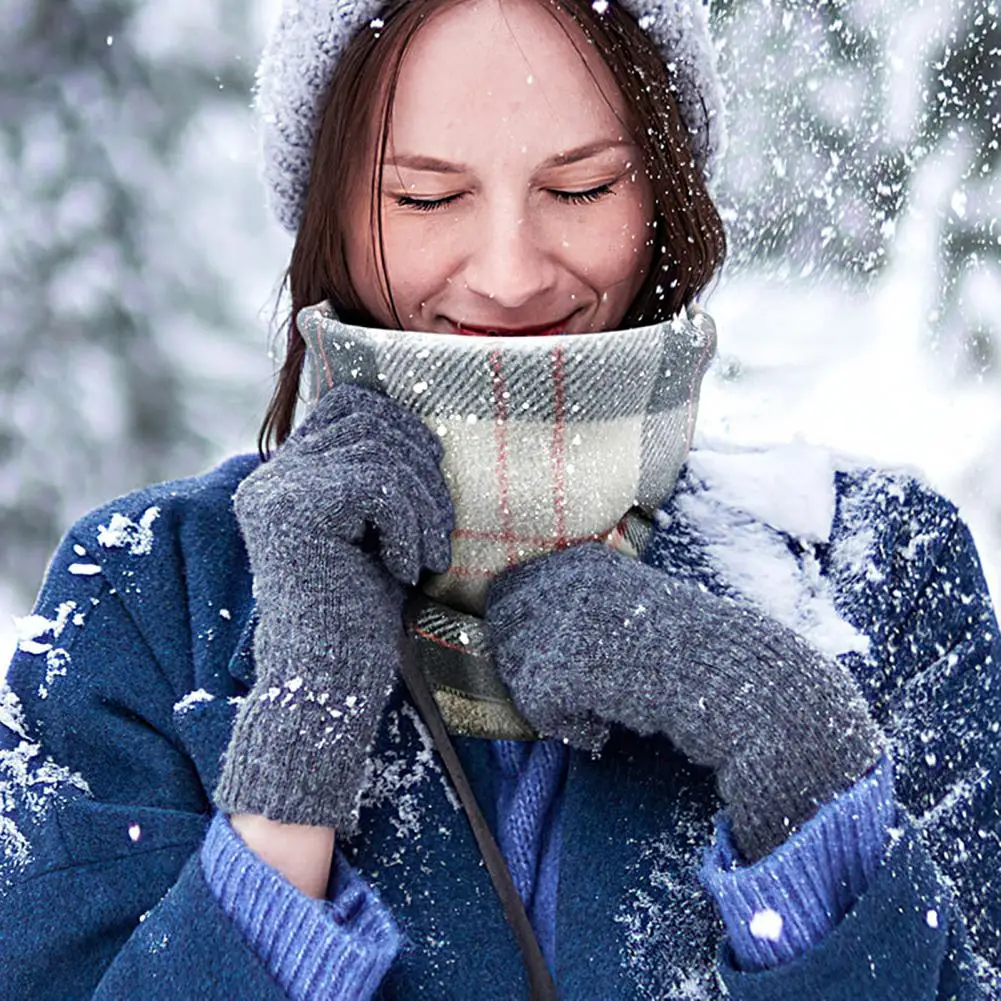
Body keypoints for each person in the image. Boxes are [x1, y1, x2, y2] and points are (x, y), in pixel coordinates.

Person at [1, 0, 999, 997]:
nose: (511, 274)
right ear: (329, 214)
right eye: (426, 199)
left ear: (660, 195)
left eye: (581, 185)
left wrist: (801, 773)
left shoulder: (882, 569)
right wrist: (284, 790)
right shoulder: (144, 594)